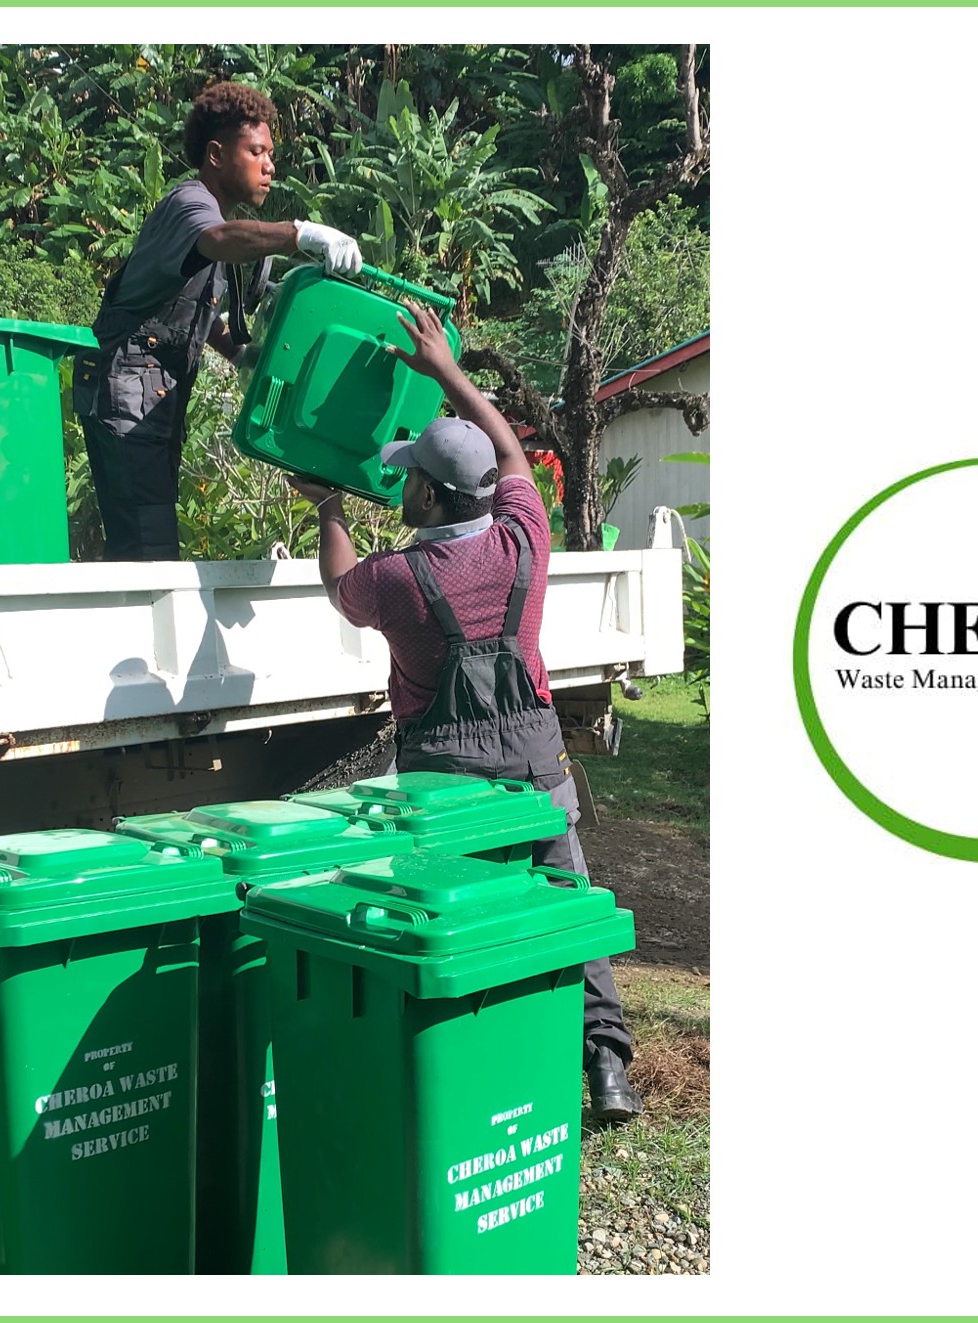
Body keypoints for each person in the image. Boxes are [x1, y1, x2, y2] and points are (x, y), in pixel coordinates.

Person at [289, 300, 641, 1123]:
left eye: (411, 473)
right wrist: (446, 371)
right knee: (567, 897)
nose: (402, 480)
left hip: (449, 788)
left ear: (435, 495)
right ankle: (606, 1066)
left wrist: (330, 507)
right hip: (536, 764)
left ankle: (488, 1060)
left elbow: (342, 587)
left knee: (461, 919)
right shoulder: (525, 538)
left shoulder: (399, 584)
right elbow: (513, 451)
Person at [74, 81, 363, 561]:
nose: (270, 166)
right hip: (126, 400)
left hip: (148, 402)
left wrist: (237, 352)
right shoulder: (192, 206)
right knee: (148, 554)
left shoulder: (216, 220)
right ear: (216, 154)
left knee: (143, 550)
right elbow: (219, 238)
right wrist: (300, 234)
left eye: (271, 154)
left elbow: (188, 309)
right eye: (256, 151)